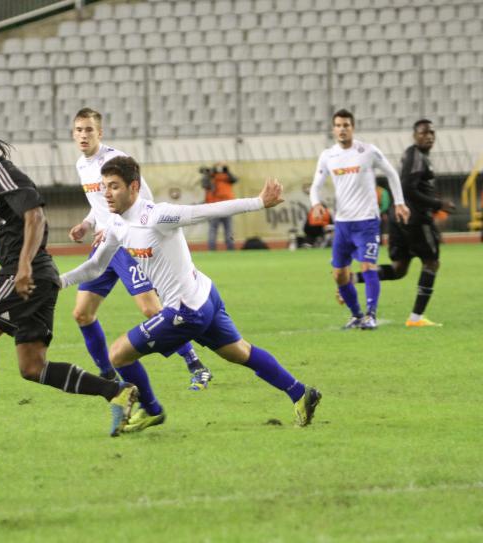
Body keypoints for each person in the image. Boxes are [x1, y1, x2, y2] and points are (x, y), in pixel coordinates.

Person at [61, 156, 322, 432]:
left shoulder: (157, 216)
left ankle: (152, 410)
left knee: (118, 355)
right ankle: (301, 393)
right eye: (104, 187)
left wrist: (258, 202)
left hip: (187, 310)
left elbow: (205, 211)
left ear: (134, 187)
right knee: (239, 352)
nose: (106, 194)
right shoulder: (115, 224)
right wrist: (59, 280)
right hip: (203, 294)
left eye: (114, 186)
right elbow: (96, 266)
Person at [0, 126, 138, 448]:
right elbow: (8, 221)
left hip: (25, 272)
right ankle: (117, 392)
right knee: (32, 366)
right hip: (37, 275)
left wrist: (24, 265)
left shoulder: (3, 173)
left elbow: (35, 216)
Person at [67, 108, 212, 392]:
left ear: (100, 133)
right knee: (82, 313)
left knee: (151, 310)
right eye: (79, 130)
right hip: (103, 247)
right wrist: (87, 223)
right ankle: (108, 375)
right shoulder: (81, 165)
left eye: (89, 130)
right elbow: (100, 204)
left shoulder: (117, 162)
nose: (83, 135)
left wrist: (116, 226)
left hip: (125, 245)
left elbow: (141, 199)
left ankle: (197, 366)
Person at [310, 109, 409, 330]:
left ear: (352, 127)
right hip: (343, 224)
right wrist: (315, 203)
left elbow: (392, 173)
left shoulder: (368, 151)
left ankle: (371, 315)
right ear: (333, 129)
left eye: (346, 125)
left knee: (367, 266)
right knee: (339, 275)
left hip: (367, 222)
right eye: (338, 125)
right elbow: (315, 185)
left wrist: (399, 202)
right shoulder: (328, 155)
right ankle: (356, 315)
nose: (342, 129)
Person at [352, 119, 454, 327]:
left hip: (400, 219)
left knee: (399, 269)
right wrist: (437, 203)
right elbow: (409, 188)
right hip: (416, 219)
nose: (429, 136)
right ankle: (416, 318)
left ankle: (351, 279)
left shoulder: (413, 155)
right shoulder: (417, 157)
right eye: (424, 133)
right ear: (415, 136)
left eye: (432, 133)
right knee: (431, 262)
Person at [200, 162, 239, 250]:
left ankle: (229, 248)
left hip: (225, 206)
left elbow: (235, 179)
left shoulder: (227, 177)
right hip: (216, 206)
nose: (219, 170)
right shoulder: (211, 177)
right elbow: (204, 184)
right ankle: (213, 248)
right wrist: (210, 173)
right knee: (215, 229)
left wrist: (227, 171)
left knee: (227, 229)